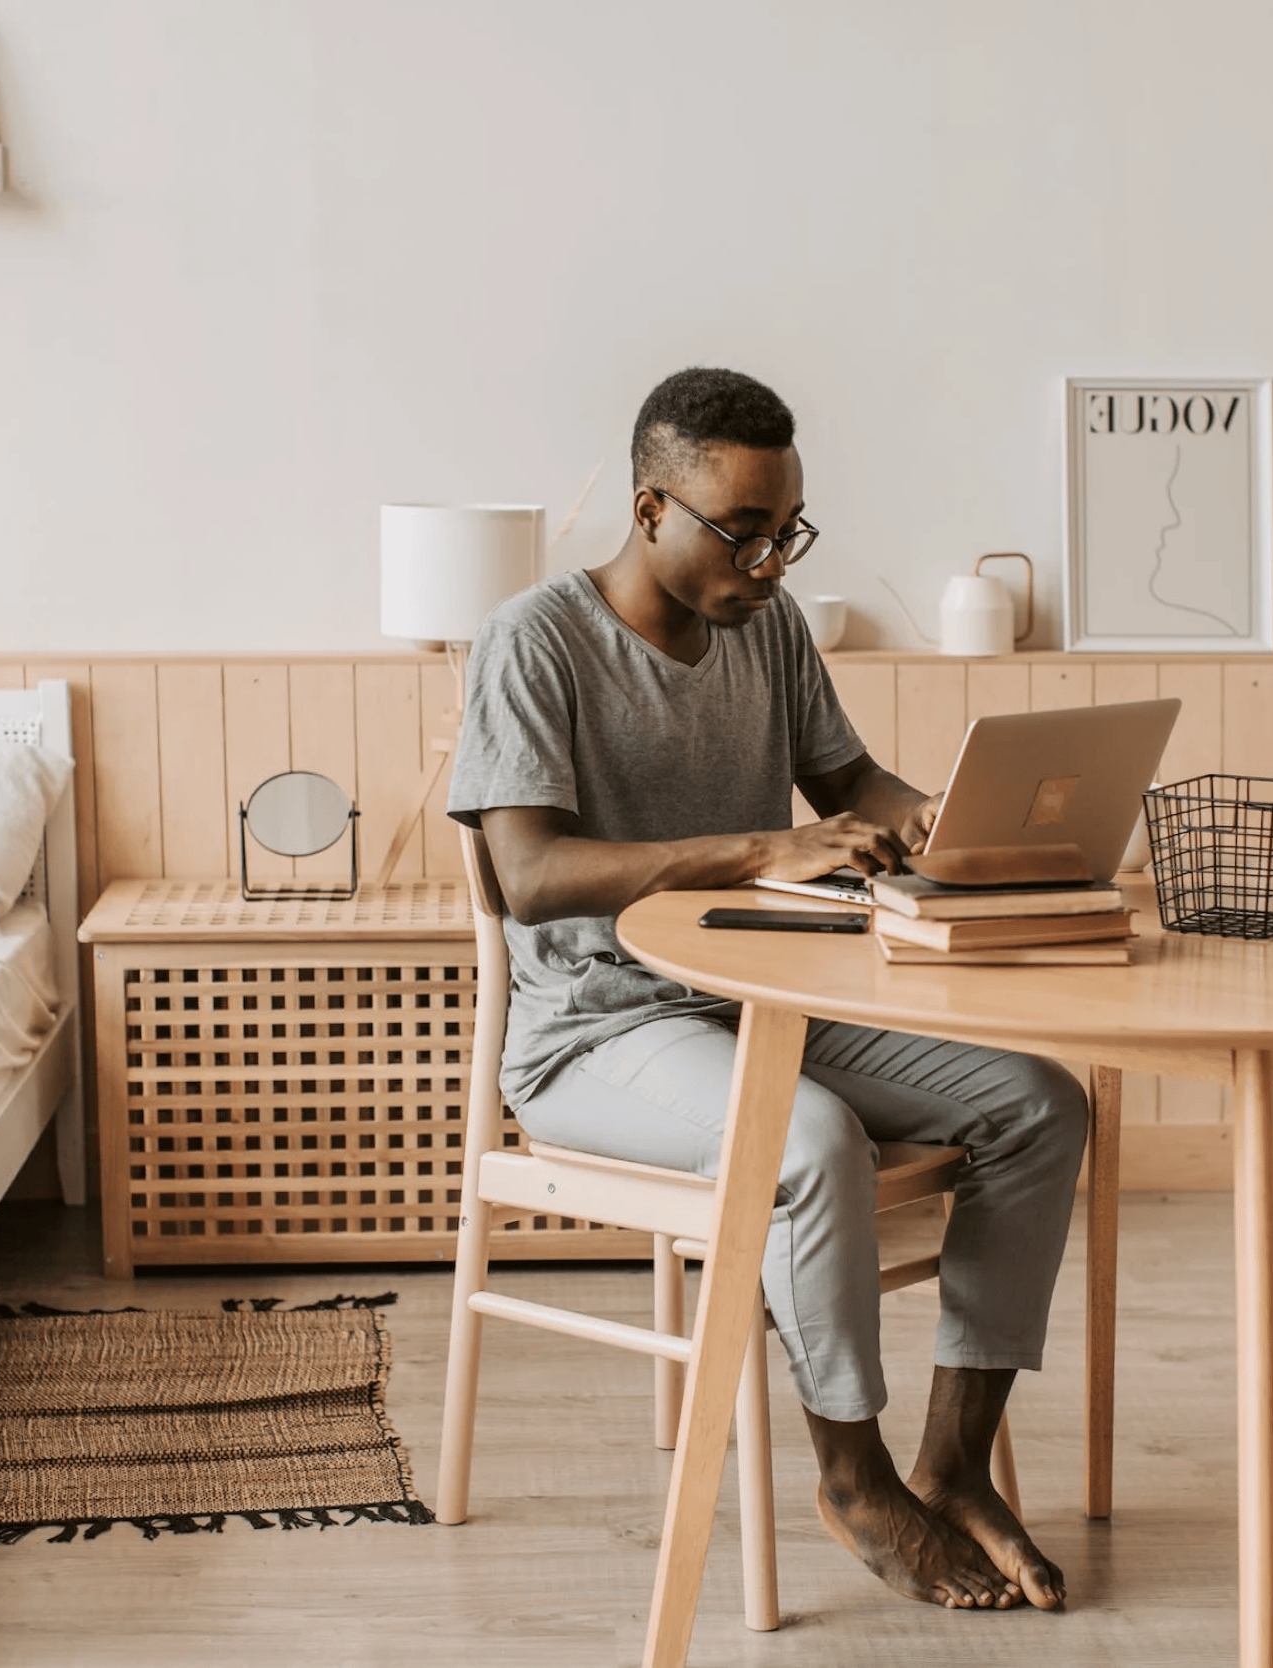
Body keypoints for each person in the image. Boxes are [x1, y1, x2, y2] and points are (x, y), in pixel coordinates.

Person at [447, 366, 1087, 1613]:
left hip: (762, 1004)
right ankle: (852, 1479)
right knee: (810, 1139)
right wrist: (758, 847)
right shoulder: (534, 640)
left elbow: (853, 784)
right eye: (742, 532)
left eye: (785, 529)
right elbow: (526, 876)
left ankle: (952, 1467)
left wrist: (957, 823)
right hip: (597, 1035)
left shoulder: (768, 628)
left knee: (1040, 1103)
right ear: (649, 513)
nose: (770, 560)